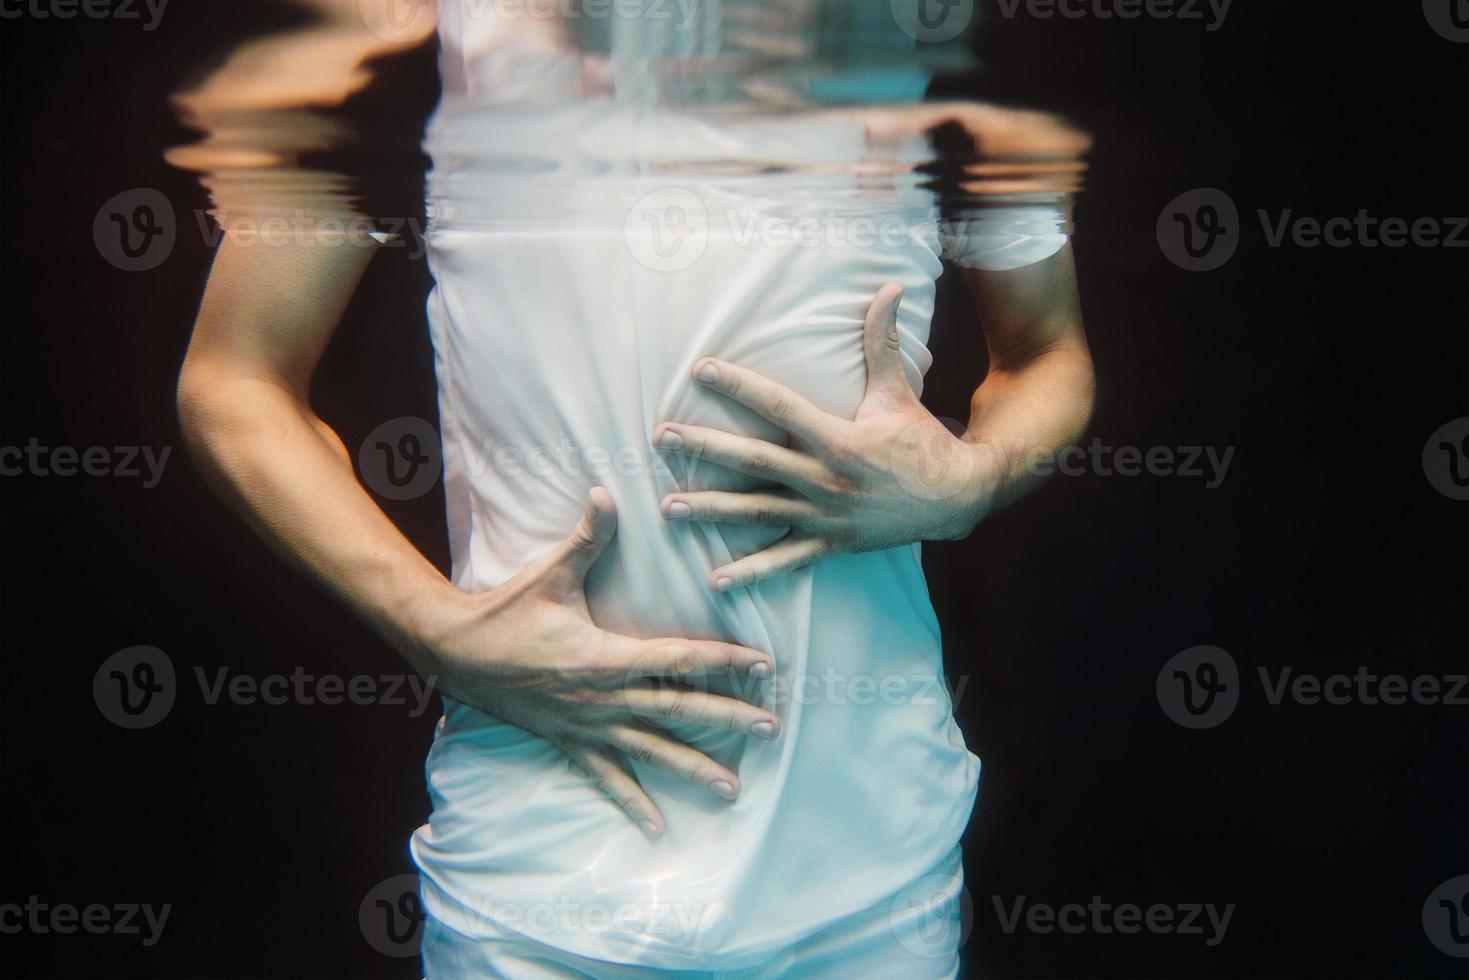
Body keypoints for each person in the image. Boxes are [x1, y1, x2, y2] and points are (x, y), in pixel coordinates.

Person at [175, 1, 1094, 975]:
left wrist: (971, 479)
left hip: (866, 873)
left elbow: (1048, 356)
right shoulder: (407, 32)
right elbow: (234, 380)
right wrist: (430, 630)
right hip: (536, 883)